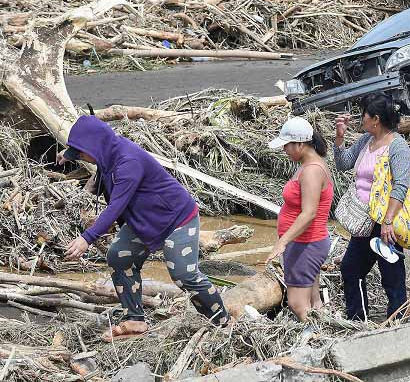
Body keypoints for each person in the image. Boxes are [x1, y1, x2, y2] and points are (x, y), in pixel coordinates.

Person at [59, 116, 229, 341]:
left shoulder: (128, 162)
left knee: (183, 274)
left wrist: (86, 238)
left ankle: (223, 323)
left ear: (95, 147)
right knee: (119, 256)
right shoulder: (108, 153)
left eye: (81, 153)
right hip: (145, 220)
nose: (81, 158)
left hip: (177, 218)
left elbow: (115, 207)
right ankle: (135, 320)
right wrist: (68, 153)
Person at [334, 92, 410, 321]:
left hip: (386, 221)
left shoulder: (397, 147)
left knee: (392, 275)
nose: (361, 120)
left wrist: (388, 221)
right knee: (351, 269)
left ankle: (396, 322)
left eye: (364, 115)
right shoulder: (366, 141)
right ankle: (358, 320)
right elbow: (343, 164)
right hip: (364, 220)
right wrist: (339, 138)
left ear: (376, 119)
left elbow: (401, 185)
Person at [267, 117, 333, 322]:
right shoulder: (308, 165)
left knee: (297, 303)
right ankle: (322, 334)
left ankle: (315, 342)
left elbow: (309, 213)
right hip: (306, 243)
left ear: (301, 144)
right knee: (313, 302)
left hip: (307, 243)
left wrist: (282, 242)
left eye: (287, 145)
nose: (284, 149)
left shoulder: (312, 170)